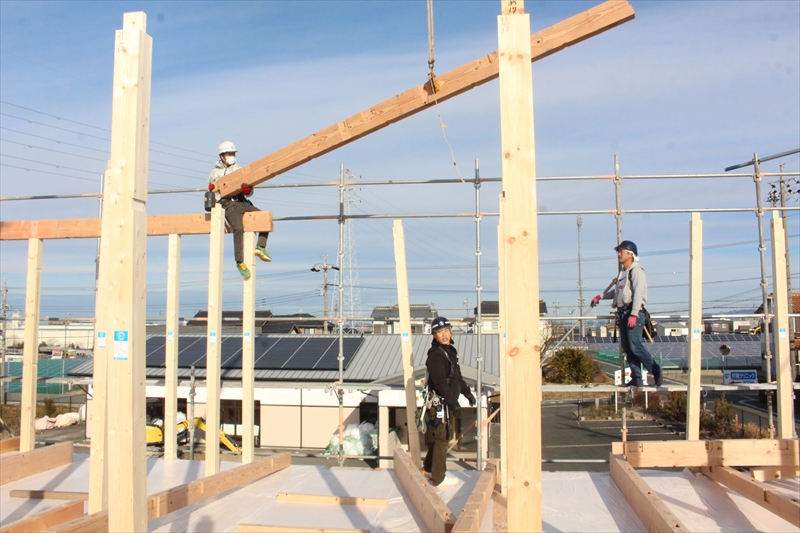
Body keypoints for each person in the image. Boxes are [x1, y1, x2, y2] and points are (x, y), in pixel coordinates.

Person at [591, 240, 663, 387]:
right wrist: (601, 296)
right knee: (628, 348)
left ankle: (655, 369)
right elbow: (618, 293)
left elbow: (638, 294)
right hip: (623, 313)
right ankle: (636, 377)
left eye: (621, 251)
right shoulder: (623, 273)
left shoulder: (636, 271)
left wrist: (634, 313)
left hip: (632, 312)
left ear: (630, 254)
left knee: (635, 345)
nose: (619, 254)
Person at [422, 316, 476, 487]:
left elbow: (456, 375)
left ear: (451, 331)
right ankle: (438, 478)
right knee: (442, 438)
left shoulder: (449, 351)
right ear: (434, 336)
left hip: (446, 402)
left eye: (446, 330)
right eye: (439, 332)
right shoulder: (435, 356)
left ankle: (429, 469)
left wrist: (467, 393)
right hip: (439, 403)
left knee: (441, 437)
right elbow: (440, 383)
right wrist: (454, 404)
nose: (444, 335)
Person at [207, 141, 271, 279]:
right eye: (229, 154)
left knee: (265, 217)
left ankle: (260, 247)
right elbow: (212, 192)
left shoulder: (240, 170)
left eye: (233, 153)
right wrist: (213, 193)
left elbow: (249, 190)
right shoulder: (214, 173)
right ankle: (240, 262)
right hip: (228, 204)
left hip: (242, 201)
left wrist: (248, 190)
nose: (232, 156)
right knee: (238, 228)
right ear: (222, 156)